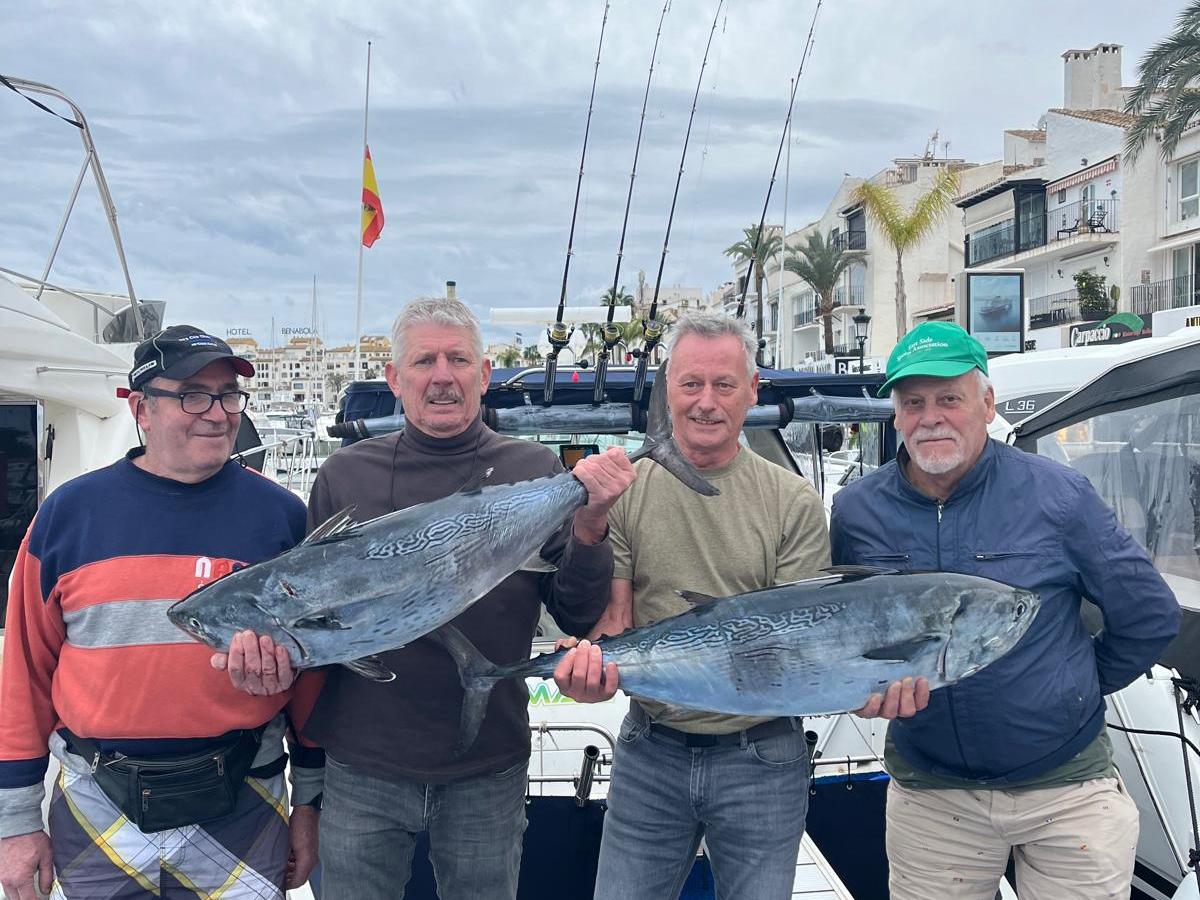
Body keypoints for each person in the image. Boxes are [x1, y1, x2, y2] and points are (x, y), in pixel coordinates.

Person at [553, 311, 926, 900]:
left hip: (764, 757)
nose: (706, 402)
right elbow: (616, 625)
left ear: (752, 390)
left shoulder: (792, 501)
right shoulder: (625, 491)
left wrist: (863, 687)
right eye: (690, 384)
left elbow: (796, 642)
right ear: (667, 390)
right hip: (651, 750)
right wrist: (591, 671)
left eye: (724, 385)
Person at [829, 321, 1181, 900]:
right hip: (932, 796)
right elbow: (847, 631)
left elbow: (1149, 615)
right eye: (913, 402)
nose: (931, 416)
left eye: (950, 398)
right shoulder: (856, 509)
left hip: (1066, 790)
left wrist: (1072, 685)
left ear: (987, 404)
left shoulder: (1059, 496)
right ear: (896, 416)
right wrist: (869, 685)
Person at [300, 297, 634, 900]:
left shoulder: (533, 469)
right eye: (424, 360)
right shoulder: (343, 477)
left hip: (488, 763)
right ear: (395, 379)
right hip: (363, 765)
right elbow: (314, 617)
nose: (443, 375)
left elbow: (577, 613)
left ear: (484, 375)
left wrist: (592, 524)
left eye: (459, 359)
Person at [0, 325, 323, 900]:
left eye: (228, 395)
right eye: (194, 395)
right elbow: (24, 674)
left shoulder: (281, 516)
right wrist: (17, 823)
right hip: (97, 799)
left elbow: (314, 679)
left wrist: (311, 803)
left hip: (246, 795)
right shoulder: (67, 516)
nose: (218, 413)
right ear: (140, 407)